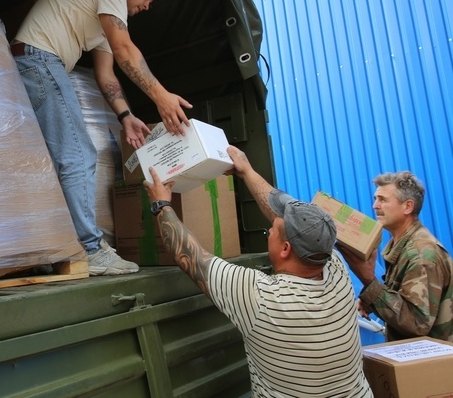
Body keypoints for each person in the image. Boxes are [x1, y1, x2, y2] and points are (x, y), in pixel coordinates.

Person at [143, 145, 372, 397]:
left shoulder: (262, 299)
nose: (270, 228)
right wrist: (246, 170)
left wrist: (161, 204)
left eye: (271, 230)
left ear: (285, 249)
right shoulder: (335, 267)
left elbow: (191, 256)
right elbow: (291, 220)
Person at [11, 0, 192, 276]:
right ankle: (90, 249)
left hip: (35, 63)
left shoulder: (101, 20)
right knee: (79, 153)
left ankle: (54, 246)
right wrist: (160, 95)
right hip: (40, 60)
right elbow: (125, 49)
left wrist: (125, 116)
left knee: (55, 161)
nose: (147, 6)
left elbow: (106, 74)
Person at [338, 171, 453, 342]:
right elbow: (404, 300)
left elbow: (417, 323)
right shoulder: (403, 244)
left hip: (432, 364)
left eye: (383, 200)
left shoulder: (421, 254)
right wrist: (373, 299)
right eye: (376, 198)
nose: (375, 206)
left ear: (408, 206)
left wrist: (370, 282)